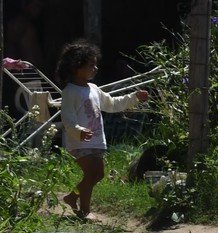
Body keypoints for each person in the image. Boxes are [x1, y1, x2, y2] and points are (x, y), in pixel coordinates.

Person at [55, 40, 148, 219]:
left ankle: (72, 197)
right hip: (79, 141)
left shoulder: (94, 89)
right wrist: (78, 130)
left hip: (96, 140)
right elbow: (67, 118)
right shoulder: (70, 92)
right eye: (91, 65)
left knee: (96, 175)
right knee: (93, 173)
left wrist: (134, 97)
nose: (95, 68)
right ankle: (84, 211)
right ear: (76, 67)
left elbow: (112, 104)